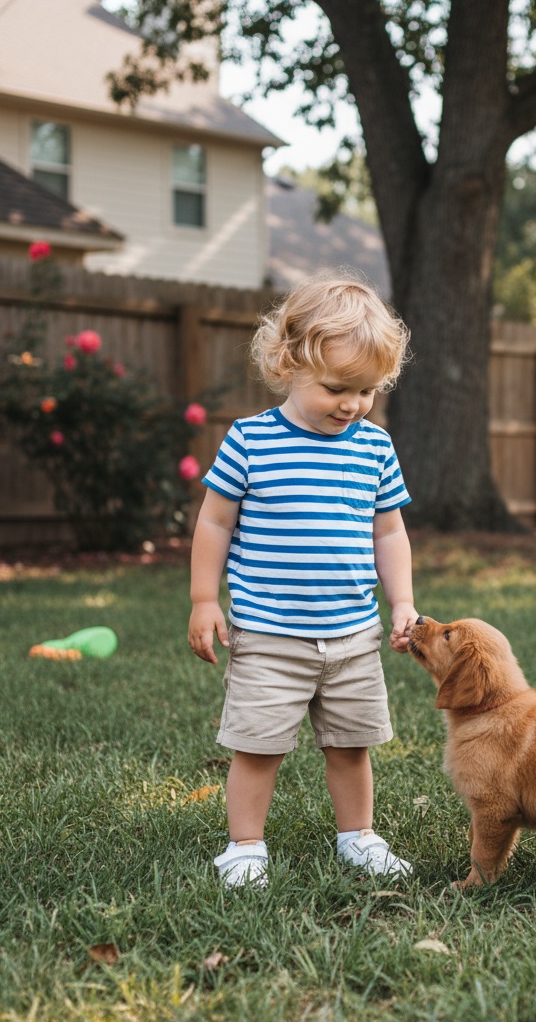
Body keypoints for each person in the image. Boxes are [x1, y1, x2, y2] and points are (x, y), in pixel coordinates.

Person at [187, 273, 418, 889]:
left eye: (368, 391)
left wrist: (402, 602)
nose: (353, 404)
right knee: (258, 746)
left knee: (352, 745)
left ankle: (358, 837)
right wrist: (205, 599)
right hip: (269, 633)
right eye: (338, 388)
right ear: (289, 364)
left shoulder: (373, 447)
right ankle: (244, 848)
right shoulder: (251, 441)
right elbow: (213, 521)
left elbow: (388, 532)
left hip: (351, 635)